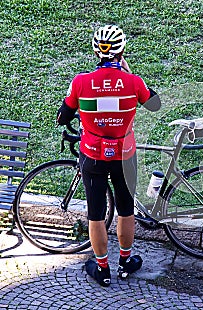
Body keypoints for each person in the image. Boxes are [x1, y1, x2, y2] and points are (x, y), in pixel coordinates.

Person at [57, 25, 161, 287]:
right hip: (125, 154)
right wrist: (127, 73)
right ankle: (125, 262)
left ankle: (102, 268)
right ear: (122, 50)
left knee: (96, 213)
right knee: (126, 210)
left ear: (96, 50)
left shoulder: (81, 82)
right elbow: (155, 104)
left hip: (92, 155)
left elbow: (63, 117)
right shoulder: (134, 82)